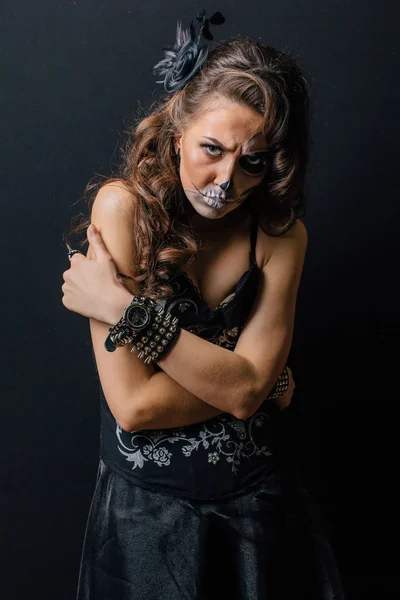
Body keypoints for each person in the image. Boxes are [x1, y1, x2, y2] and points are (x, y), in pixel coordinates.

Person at [62, 10, 345, 599]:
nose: (225, 179)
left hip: (261, 509)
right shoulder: (122, 212)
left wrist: (124, 311)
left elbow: (244, 392)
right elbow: (135, 406)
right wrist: (254, 382)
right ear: (177, 130)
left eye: (253, 161)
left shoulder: (279, 235)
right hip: (146, 520)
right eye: (211, 149)